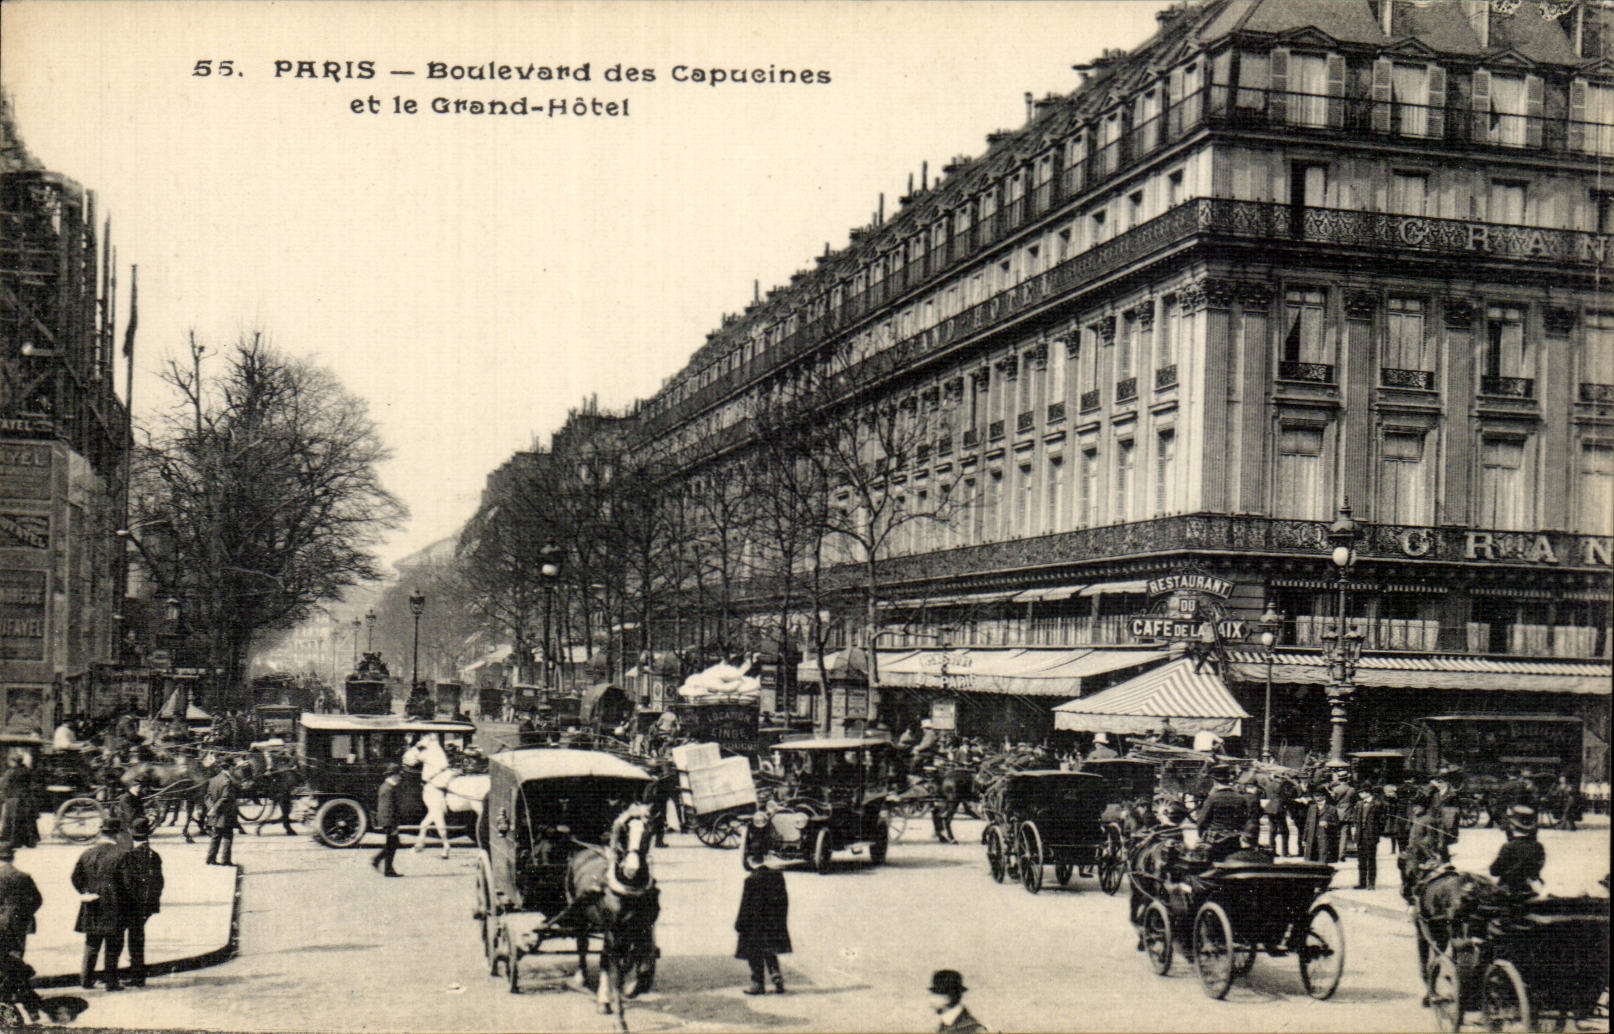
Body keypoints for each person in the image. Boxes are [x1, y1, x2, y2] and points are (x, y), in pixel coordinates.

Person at [735, 811, 790, 995]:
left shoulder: (751, 880)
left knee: (754, 953)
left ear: (752, 860)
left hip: (753, 926)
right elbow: (784, 902)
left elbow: (745, 906)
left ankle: (757, 983)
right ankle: (776, 975)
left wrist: (739, 924)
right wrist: (781, 921)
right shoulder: (778, 877)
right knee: (770, 950)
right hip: (772, 923)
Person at [72, 817, 128, 991]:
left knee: (91, 943)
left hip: (92, 904)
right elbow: (128, 883)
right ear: (117, 834)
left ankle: (86, 979)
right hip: (114, 906)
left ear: (101, 832)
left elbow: (75, 877)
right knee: (113, 945)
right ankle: (111, 982)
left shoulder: (87, 853)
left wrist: (85, 892)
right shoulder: (122, 854)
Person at [0, 841, 46, 1019]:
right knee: (16, 961)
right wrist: (23, 915)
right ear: (12, 857)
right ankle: (29, 1005)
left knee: (7, 965)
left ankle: (16, 1003)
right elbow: (37, 900)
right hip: (19, 926)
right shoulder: (23, 876)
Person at [118, 817, 163, 987]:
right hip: (146, 905)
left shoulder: (129, 855)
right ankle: (137, 974)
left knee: (128, 940)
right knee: (137, 938)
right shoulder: (154, 855)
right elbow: (159, 882)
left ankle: (134, 975)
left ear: (131, 834)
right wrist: (151, 904)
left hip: (131, 905)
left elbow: (126, 882)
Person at [1193, 766, 1258, 863]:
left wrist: (1202, 835)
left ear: (1215, 782)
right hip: (1234, 839)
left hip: (1215, 840)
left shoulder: (1212, 799)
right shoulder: (1240, 798)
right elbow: (1244, 819)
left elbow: (1201, 821)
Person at [1490, 803, 1545, 897]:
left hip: (1509, 890)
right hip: (1529, 889)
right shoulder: (1538, 846)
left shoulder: (1509, 846)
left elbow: (1494, 871)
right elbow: (1536, 869)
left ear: (1512, 827)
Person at [203, 761, 246, 866]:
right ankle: (226, 861)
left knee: (216, 836)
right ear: (230, 768)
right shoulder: (228, 781)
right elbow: (225, 797)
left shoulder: (213, 779)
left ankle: (210, 859)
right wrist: (215, 809)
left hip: (215, 814)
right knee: (228, 836)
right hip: (226, 814)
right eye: (233, 767)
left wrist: (211, 808)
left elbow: (207, 796)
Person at [928, 969, 988, 1034]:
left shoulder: (975, 1030)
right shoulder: (943, 1026)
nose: (931, 1002)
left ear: (949, 996)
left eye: (935, 994)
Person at [371, 763, 403, 877]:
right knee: (393, 843)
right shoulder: (388, 788)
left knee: (392, 843)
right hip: (389, 821)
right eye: (398, 775)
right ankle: (381, 863)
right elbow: (387, 808)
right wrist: (392, 825)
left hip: (389, 820)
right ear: (393, 775)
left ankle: (386, 867)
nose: (400, 777)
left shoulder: (387, 787)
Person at [0, 756, 38, 850]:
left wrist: (5, 795)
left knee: (13, 820)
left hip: (13, 799)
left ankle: (14, 841)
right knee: (27, 820)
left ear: (14, 762)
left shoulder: (10, 772)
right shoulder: (28, 770)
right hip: (26, 798)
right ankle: (29, 841)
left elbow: (4, 785)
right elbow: (33, 784)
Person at [1354, 788, 1385, 890]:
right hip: (1360, 835)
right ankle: (1362, 882)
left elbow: (1382, 819)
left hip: (1371, 835)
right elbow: (1356, 819)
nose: (1360, 794)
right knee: (1361, 860)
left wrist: (1376, 831)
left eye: (1361, 792)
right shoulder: (1359, 804)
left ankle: (1371, 883)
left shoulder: (1377, 804)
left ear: (1367, 792)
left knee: (1371, 859)